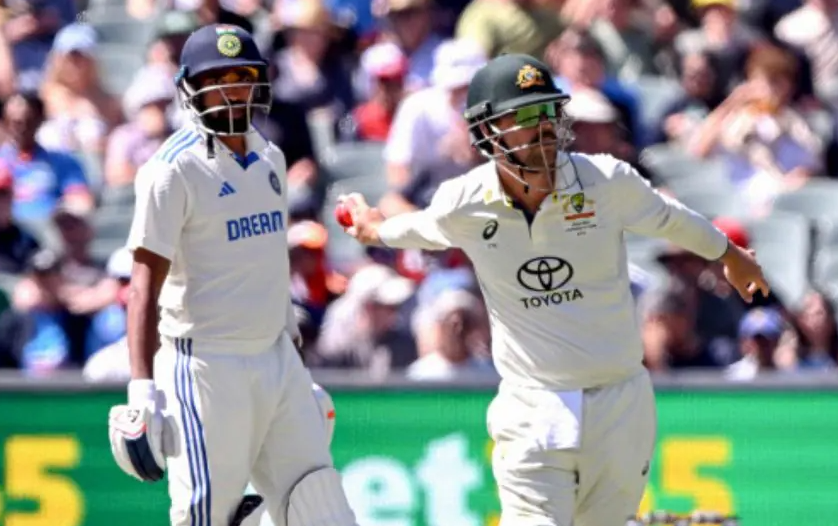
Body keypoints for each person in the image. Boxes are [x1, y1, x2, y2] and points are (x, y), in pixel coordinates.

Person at [337, 53, 770, 526]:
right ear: (486, 131)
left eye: (547, 112)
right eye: (523, 116)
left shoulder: (605, 180)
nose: (542, 126)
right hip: (532, 403)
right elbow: (419, 228)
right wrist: (375, 229)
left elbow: (671, 219)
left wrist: (729, 254)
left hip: (619, 400)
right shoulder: (464, 201)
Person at [106, 24, 357, 526]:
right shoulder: (171, 170)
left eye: (242, 76)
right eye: (216, 79)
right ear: (190, 89)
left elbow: (268, 261)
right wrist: (141, 389)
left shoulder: (270, 156)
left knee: (321, 508)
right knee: (203, 515)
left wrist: (293, 359)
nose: (231, 90)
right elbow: (143, 284)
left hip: (275, 358)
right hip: (205, 365)